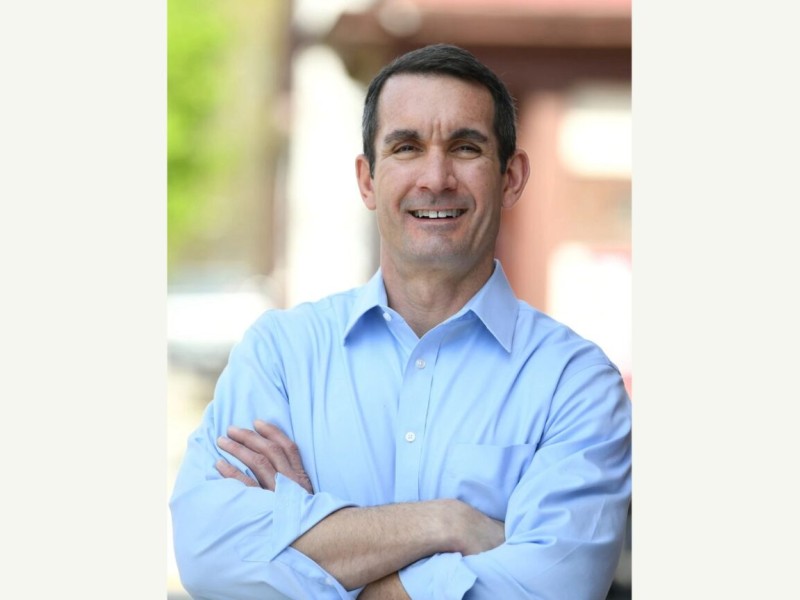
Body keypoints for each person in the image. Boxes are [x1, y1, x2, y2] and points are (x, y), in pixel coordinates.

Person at [170, 43, 631, 600]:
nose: (435, 178)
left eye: (465, 147)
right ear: (367, 179)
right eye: (407, 147)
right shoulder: (282, 356)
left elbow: (549, 589)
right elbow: (209, 558)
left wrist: (314, 540)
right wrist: (449, 523)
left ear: (511, 176)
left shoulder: (575, 384)